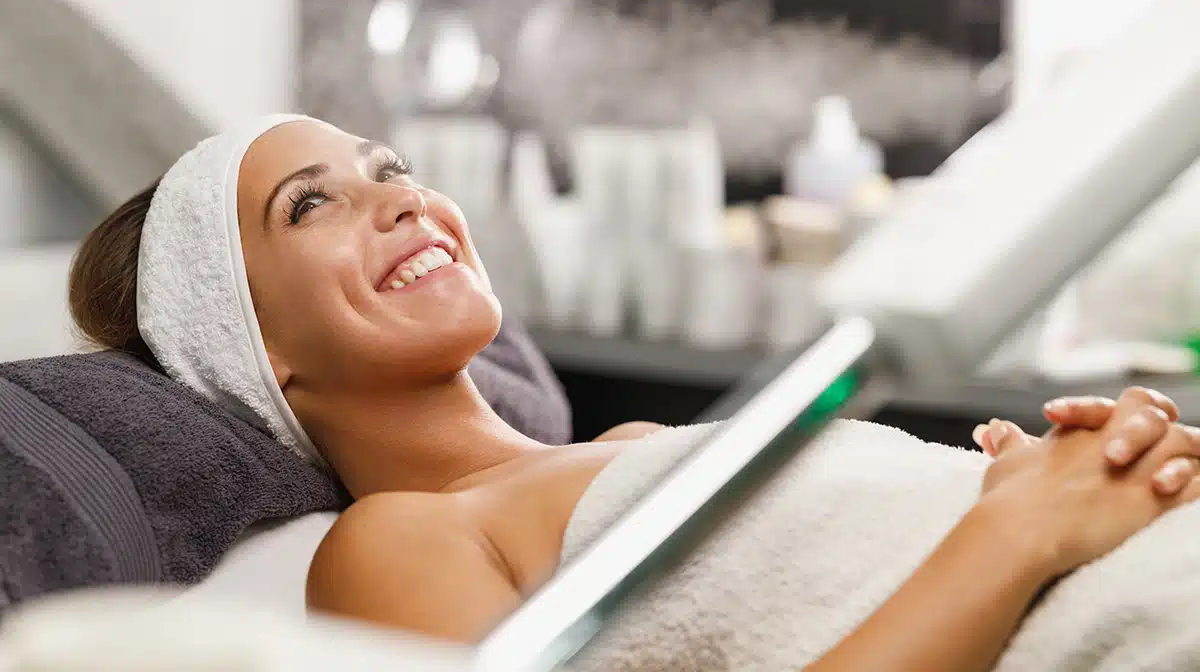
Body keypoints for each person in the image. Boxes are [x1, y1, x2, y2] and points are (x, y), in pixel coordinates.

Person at [68, 116, 1200, 670]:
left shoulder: (642, 441)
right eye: (311, 205)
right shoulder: (395, 541)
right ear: (256, 346)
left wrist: (1043, 471)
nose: (401, 200)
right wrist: (1014, 531)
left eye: (390, 169)